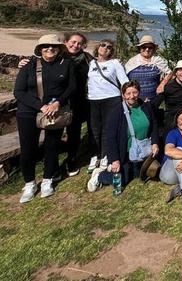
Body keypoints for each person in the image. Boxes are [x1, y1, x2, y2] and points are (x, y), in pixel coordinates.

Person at [18, 32, 93, 176]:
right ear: (65, 42)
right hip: (52, 104)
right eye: (73, 42)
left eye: (79, 43)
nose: (75, 45)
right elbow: (38, 66)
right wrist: (21, 63)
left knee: (73, 133)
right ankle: (53, 168)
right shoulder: (55, 57)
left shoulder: (87, 59)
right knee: (53, 138)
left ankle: (71, 160)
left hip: (76, 102)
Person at [15, 34, 76, 203]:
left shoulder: (66, 64)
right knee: (28, 149)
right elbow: (18, 92)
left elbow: (72, 87)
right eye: (46, 46)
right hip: (29, 112)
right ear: (40, 49)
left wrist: (58, 103)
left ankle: (48, 180)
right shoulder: (29, 65)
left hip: (55, 111)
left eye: (54, 46)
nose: (50, 49)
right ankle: (29, 183)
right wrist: (41, 106)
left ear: (59, 49)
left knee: (52, 146)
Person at [87, 80, 159, 192]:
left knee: (138, 175)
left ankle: (133, 169)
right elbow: (110, 137)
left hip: (143, 150)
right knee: (121, 182)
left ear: (139, 92)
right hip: (124, 153)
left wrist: (155, 142)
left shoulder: (145, 106)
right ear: (123, 95)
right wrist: (114, 159)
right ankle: (100, 176)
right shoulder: (117, 112)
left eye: (134, 92)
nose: (132, 96)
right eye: (128, 93)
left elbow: (154, 125)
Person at [87, 39, 130, 173]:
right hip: (93, 99)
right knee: (94, 128)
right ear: (97, 47)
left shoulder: (115, 63)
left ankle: (106, 155)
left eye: (109, 47)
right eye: (103, 45)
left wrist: (127, 95)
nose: (105, 48)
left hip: (111, 99)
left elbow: (124, 80)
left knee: (108, 128)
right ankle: (95, 155)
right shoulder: (91, 63)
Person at [125, 35, 171, 102]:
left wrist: (162, 84)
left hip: (153, 99)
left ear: (154, 49)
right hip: (134, 98)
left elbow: (169, 73)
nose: (147, 49)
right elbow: (123, 79)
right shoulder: (132, 61)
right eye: (144, 47)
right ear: (140, 48)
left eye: (150, 47)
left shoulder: (158, 60)